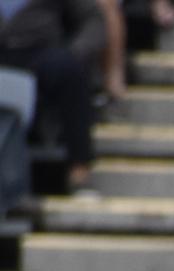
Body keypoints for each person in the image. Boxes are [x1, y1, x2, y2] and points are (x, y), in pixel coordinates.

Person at [0, 0, 106, 194]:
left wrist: (76, 51)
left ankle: (79, 169)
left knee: (69, 70)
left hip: (40, 52)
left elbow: (93, 20)